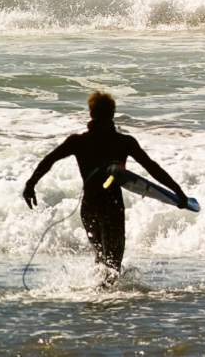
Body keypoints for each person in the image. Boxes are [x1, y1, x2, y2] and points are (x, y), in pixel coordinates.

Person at [22, 91, 189, 278]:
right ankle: (108, 301)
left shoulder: (79, 142)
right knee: (113, 263)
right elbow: (152, 168)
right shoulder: (123, 142)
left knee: (101, 258)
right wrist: (178, 193)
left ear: (91, 114)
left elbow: (48, 160)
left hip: (90, 205)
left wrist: (30, 184)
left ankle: (98, 298)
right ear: (112, 113)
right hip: (112, 205)